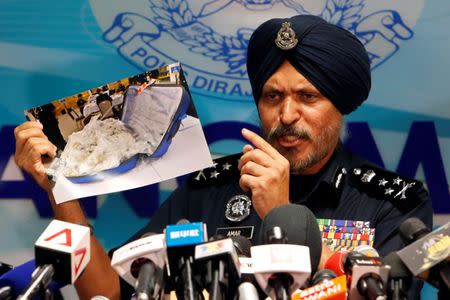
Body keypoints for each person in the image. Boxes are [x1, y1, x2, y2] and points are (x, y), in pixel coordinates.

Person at [14, 15, 432, 299]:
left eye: (308, 96)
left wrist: (281, 213)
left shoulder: (394, 201)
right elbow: (111, 291)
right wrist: (60, 188)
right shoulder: (210, 186)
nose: (287, 116)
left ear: (339, 105)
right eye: (272, 96)